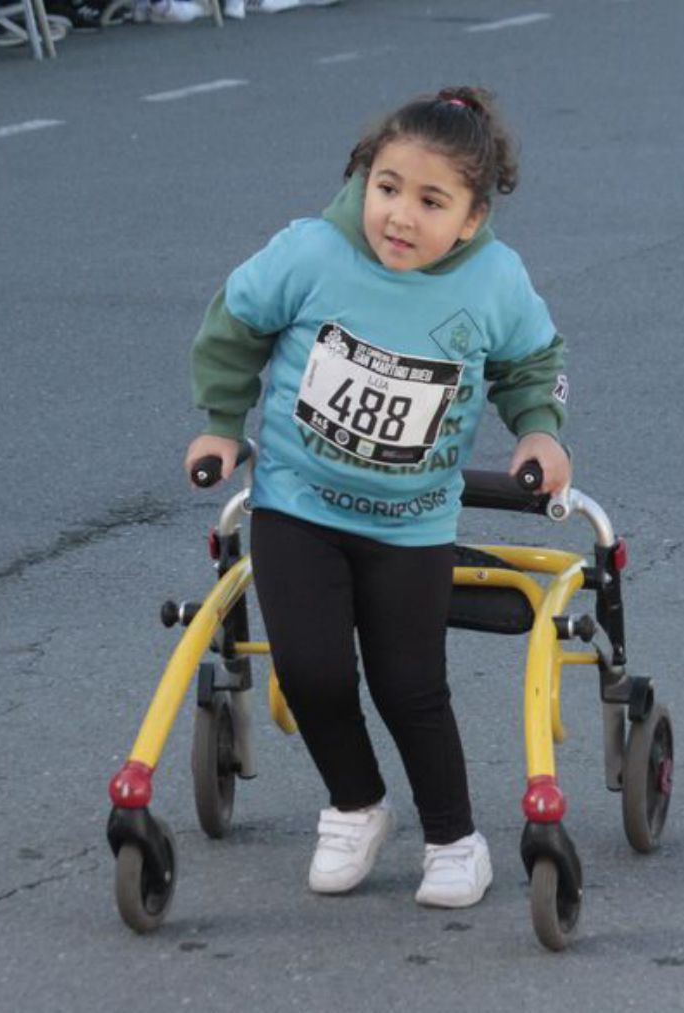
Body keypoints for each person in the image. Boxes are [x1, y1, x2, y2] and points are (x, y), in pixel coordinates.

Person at [185, 85, 570, 909]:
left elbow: (532, 362)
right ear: (362, 178)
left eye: (431, 201)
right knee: (314, 671)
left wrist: (539, 431)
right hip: (297, 504)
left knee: (409, 684)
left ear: (471, 219)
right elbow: (236, 323)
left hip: (411, 520)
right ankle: (357, 805)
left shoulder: (495, 280)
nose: (399, 215)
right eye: (386, 187)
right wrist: (222, 423)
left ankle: (454, 837)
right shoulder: (311, 252)